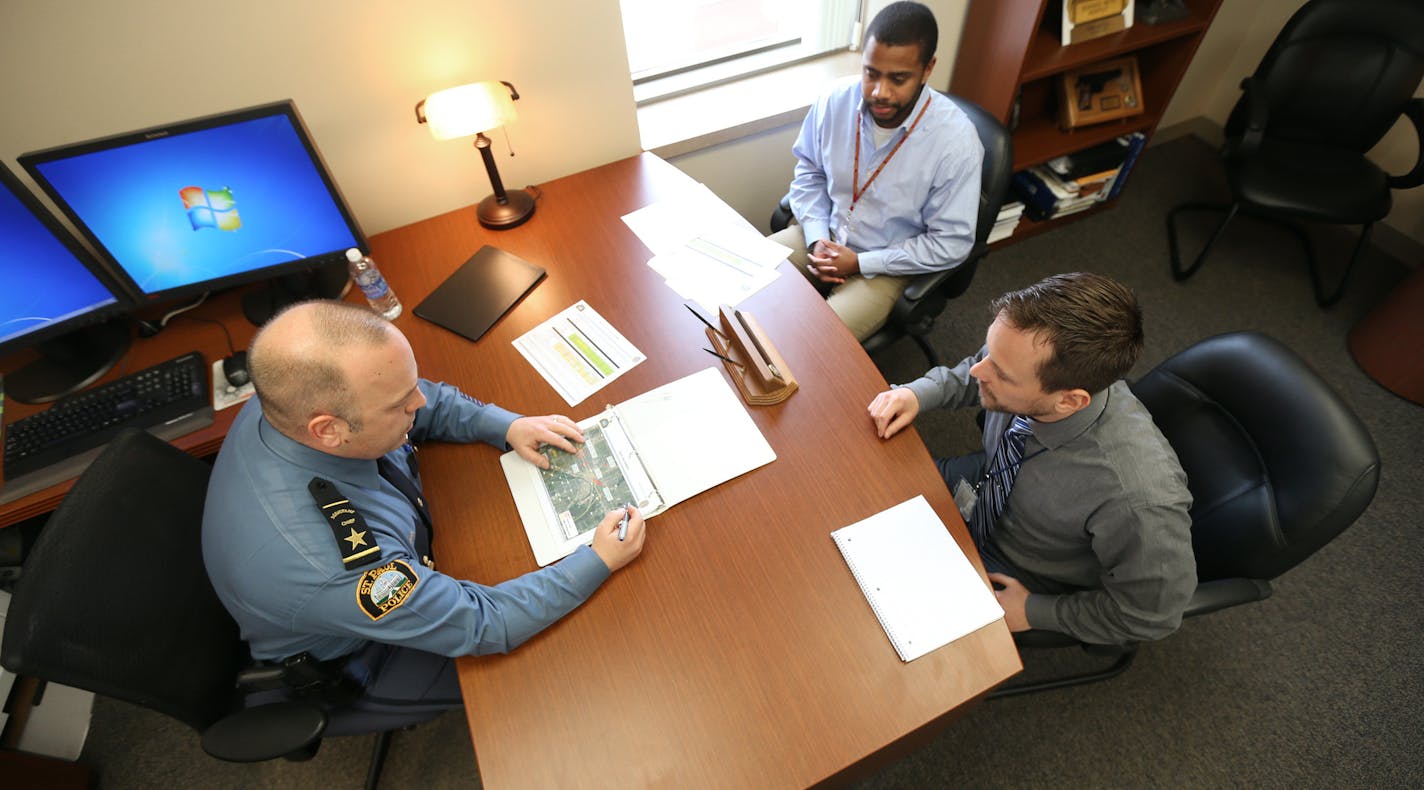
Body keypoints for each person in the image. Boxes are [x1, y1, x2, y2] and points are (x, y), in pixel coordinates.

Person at [202, 300, 645, 725]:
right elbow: (482, 623)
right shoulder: (331, 562)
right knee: (574, 669)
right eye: (400, 405)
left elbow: (417, 396)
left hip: (407, 557)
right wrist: (596, 559)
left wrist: (503, 425)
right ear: (329, 430)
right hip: (363, 654)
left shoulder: (293, 398)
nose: (420, 401)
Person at [866, 272, 1195, 646]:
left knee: (886, 629)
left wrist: (1036, 611)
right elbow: (973, 371)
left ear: (1069, 400)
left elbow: (1154, 615)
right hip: (987, 481)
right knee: (862, 494)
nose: (978, 371)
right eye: (990, 351)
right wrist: (916, 394)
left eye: (1000, 373)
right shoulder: (1021, 354)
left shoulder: (1138, 499)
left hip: (1023, 566)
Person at [771, 0, 983, 342]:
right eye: (871, 73)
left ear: (928, 69)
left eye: (898, 79)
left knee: (811, 344)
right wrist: (816, 236)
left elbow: (951, 243)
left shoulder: (956, 142)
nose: (879, 92)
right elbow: (810, 172)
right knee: (745, 281)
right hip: (824, 233)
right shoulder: (834, 101)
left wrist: (860, 263)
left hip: (887, 264)